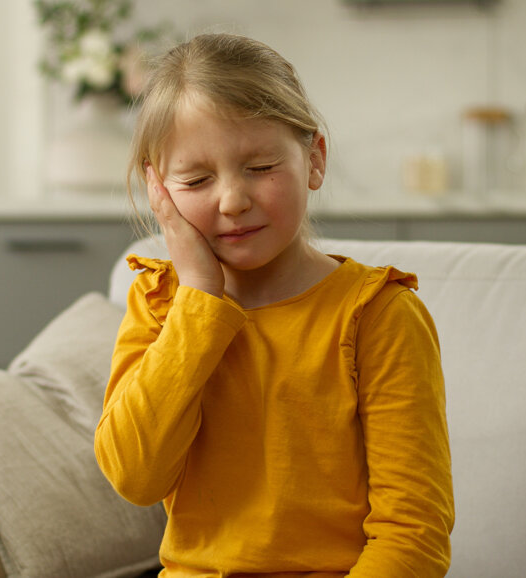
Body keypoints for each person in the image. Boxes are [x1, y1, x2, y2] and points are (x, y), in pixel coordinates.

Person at [94, 33, 454, 577]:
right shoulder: (160, 303)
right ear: (158, 189)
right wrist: (199, 297)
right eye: (196, 179)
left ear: (314, 160)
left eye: (261, 167)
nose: (233, 200)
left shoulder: (379, 315)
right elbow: (134, 477)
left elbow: (413, 534)